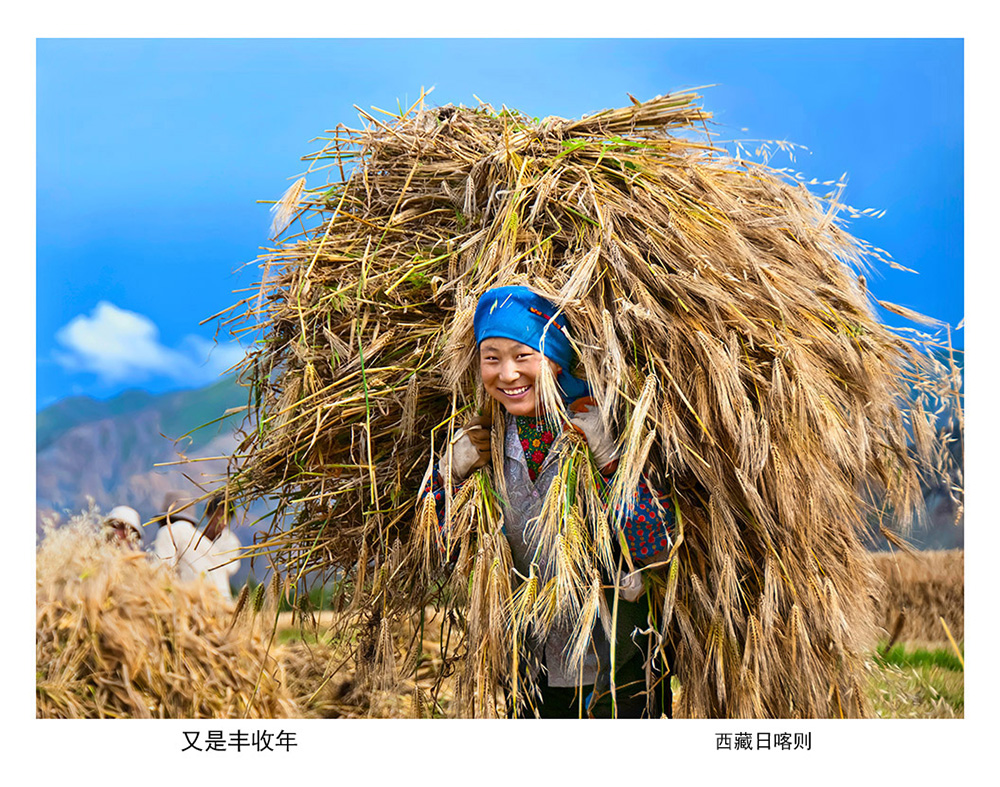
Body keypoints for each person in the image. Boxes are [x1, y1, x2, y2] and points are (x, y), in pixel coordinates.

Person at [424, 285, 675, 718]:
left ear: (556, 360)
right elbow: (436, 550)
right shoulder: (483, 445)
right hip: (533, 668)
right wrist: (447, 473)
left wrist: (610, 458)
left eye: (524, 356)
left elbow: (658, 549)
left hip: (622, 666)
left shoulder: (605, 424)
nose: (507, 374)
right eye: (492, 358)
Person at [199, 493, 242, 598]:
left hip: (218, 593)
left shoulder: (231, 542)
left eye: (225, 516)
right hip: (195, 591)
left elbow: (230, 568)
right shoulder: (195, 536)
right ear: (208, 514)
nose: (220, 520)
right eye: (217, 515)